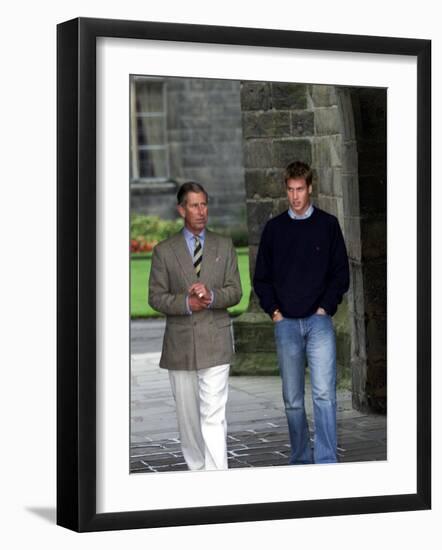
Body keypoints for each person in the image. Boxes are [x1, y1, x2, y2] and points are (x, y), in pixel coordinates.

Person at [253, 161, 350, 464]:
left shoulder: (328, 225)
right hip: (286, 324)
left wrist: (325, 308)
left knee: (324, 395)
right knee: (293, 400)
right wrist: (275, 313)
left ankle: (325, 461)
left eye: (300, 189)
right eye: (290, 190)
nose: (295, 196)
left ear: (310, 188)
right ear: (287, 190)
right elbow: (262, 279)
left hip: (318, 321)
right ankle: (300, 459)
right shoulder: (274, 230)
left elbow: (340, 274)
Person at [148, 182, 242, 471]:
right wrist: (186, 303)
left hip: (215, 342)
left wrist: (212, 296)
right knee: (188, 419)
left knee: (214, 415)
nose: (201, 211)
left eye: (204, 204)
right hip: (180, 346)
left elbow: (235, 291)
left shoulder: (224, 246)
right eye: (194, 205)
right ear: (181, 210)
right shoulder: (164, 251)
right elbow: (155, 296)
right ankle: (197, 473)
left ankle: (216, 481)